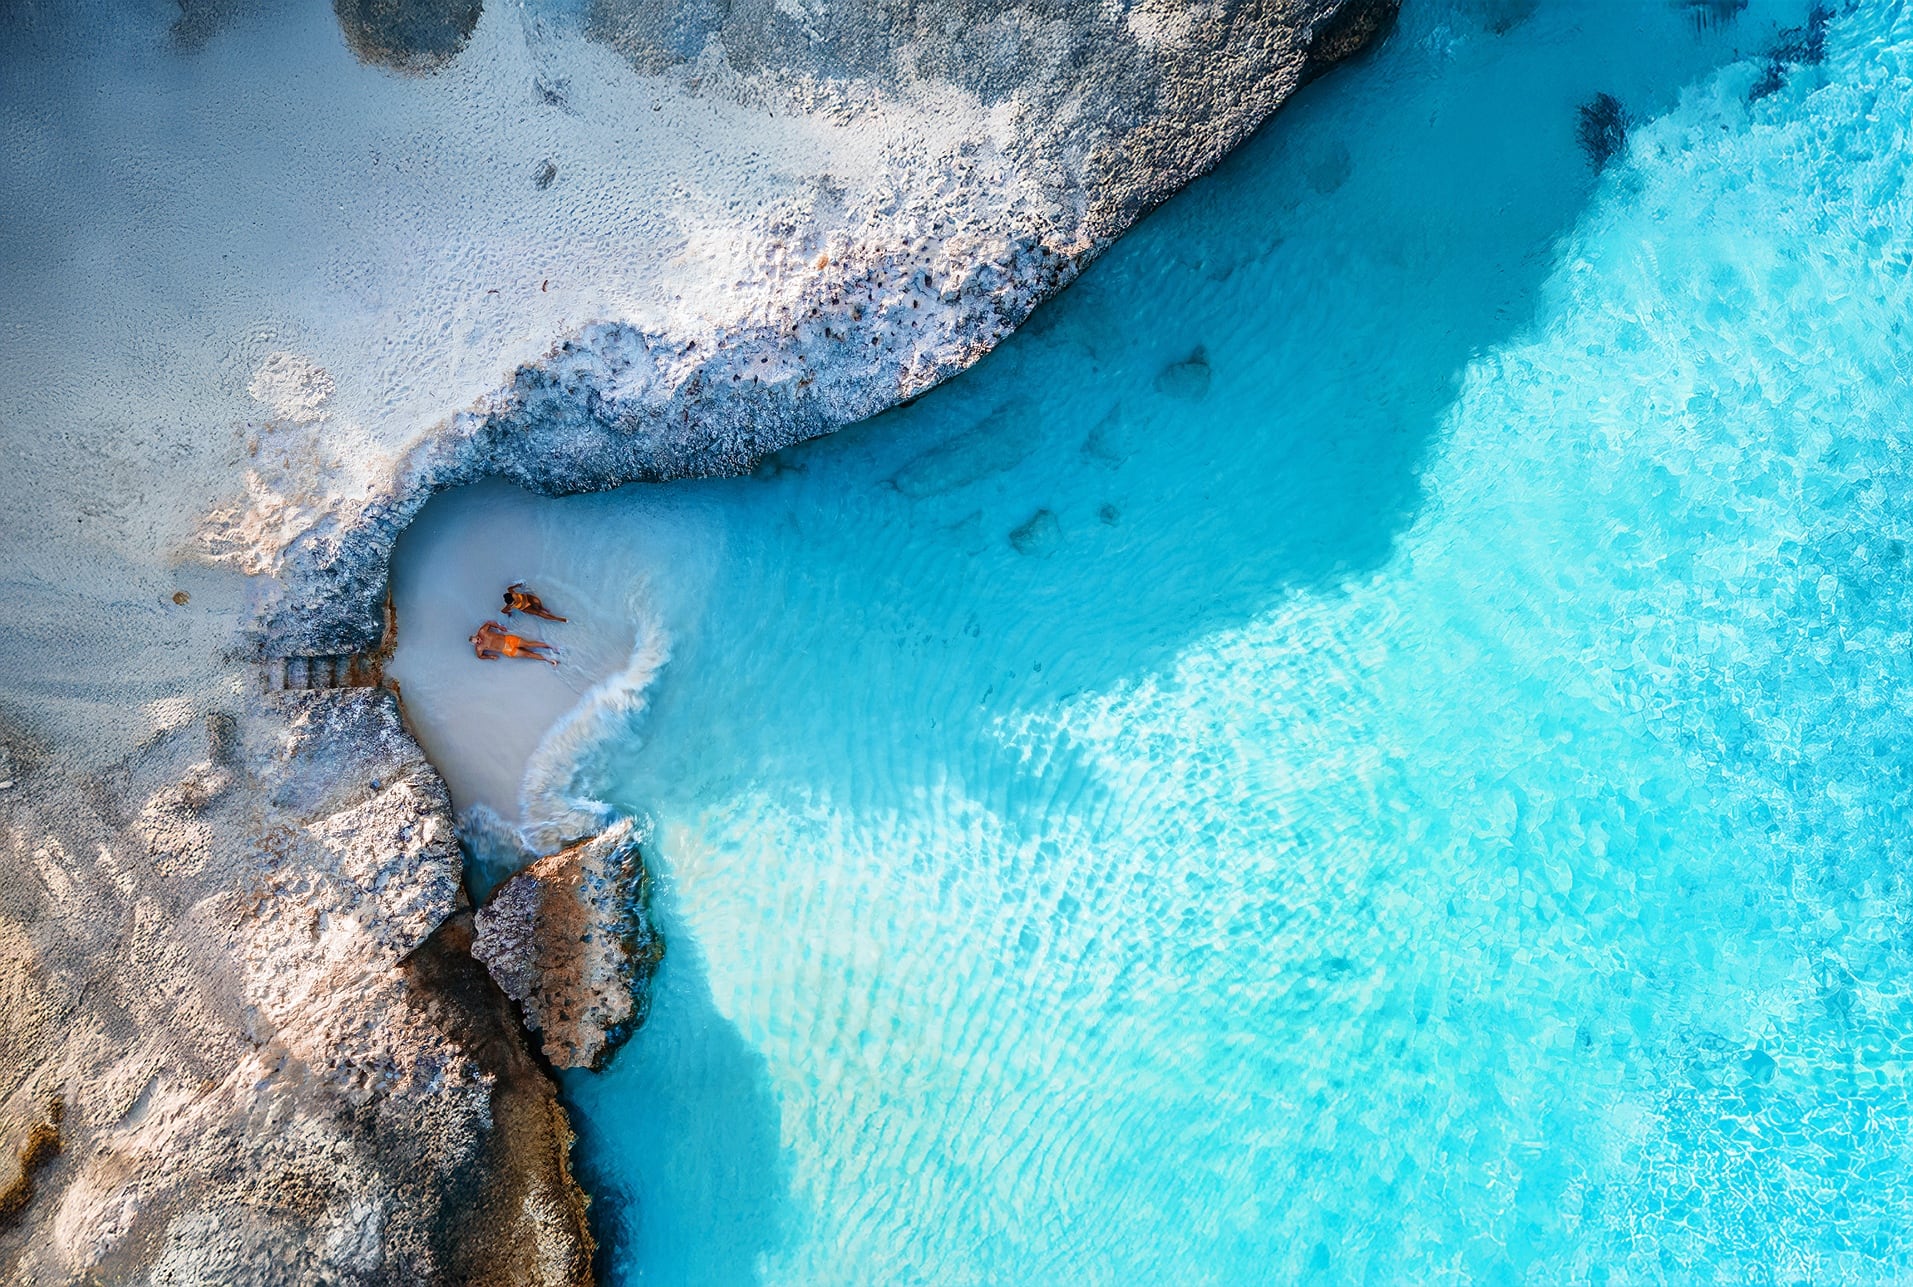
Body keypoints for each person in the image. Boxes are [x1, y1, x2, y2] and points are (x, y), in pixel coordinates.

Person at [469, 620, 558, 665]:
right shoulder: (479, 648)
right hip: (506, 649)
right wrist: (490, 657)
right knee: (528, 654)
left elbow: (489, 623)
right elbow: (480, 656)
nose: (479, 641)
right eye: (477, 642)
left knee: (528, 644)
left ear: (476, 635)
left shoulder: (482, 632)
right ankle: (549, 660)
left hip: (508, 640)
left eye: (477, 639)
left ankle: (550, 646)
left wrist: (499, 627)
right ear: (475, 644)